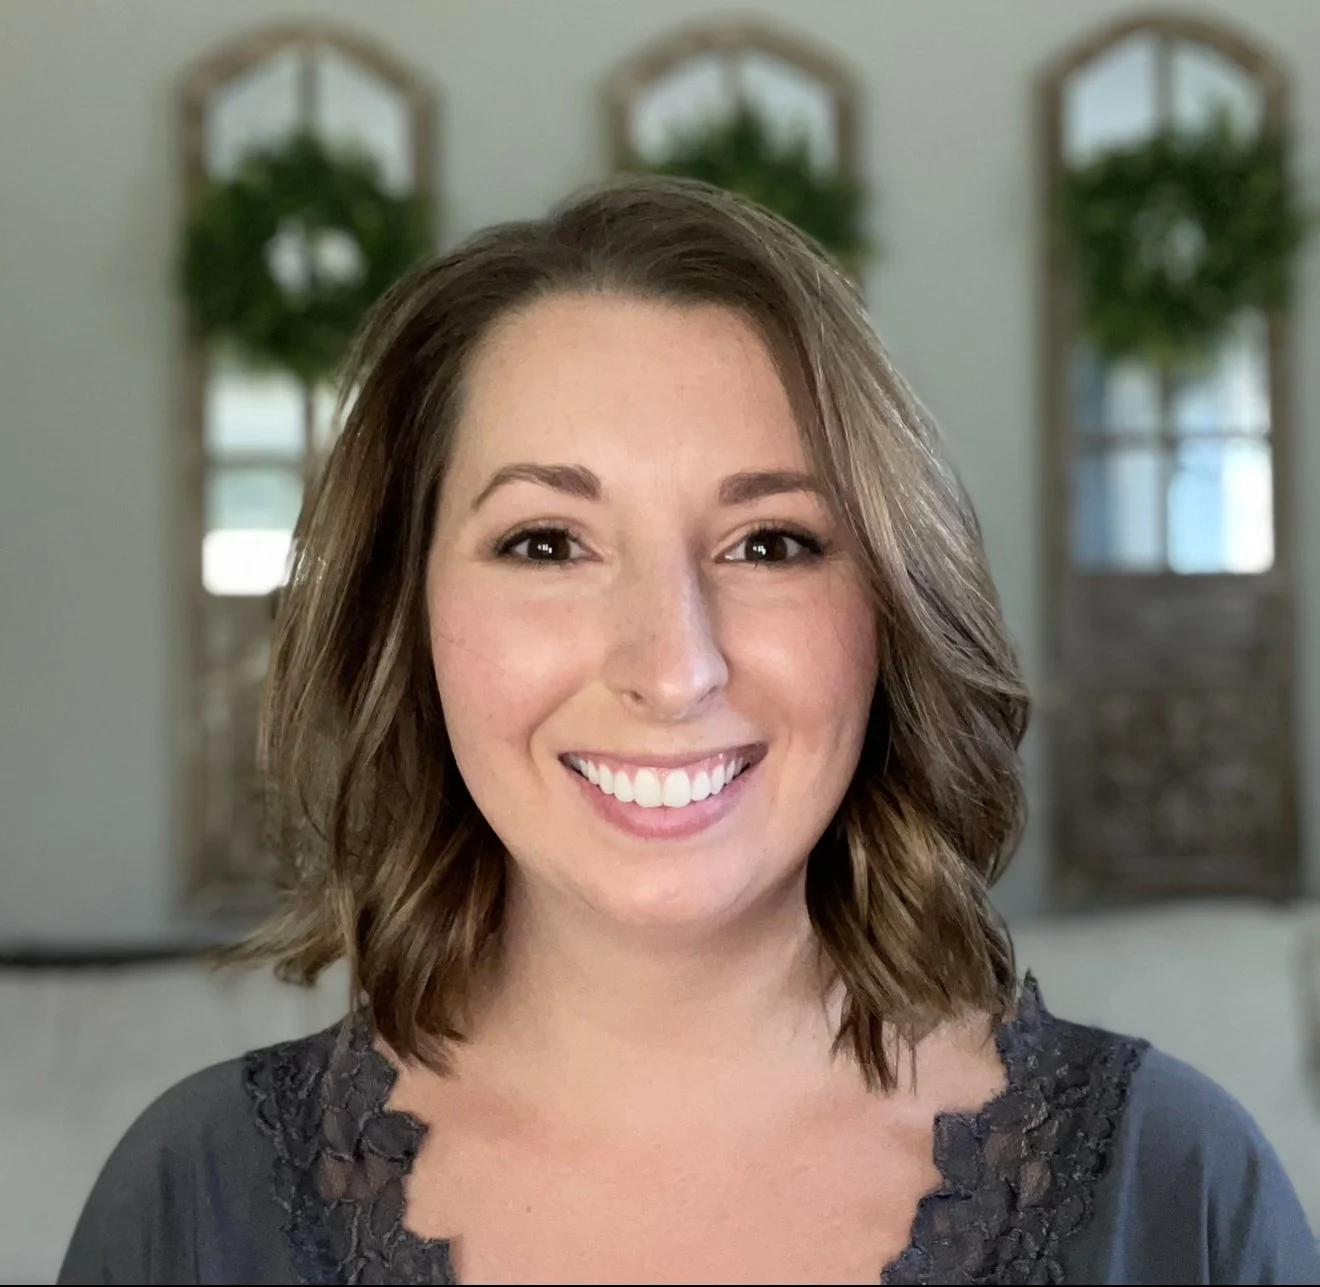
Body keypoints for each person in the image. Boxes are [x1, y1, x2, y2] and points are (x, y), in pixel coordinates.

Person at [60, 175, 1318, 1285]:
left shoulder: (1175, 1195)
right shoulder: (193, 1205)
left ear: (888, 606)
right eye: (546, 544)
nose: (672, 667)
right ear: (410, 609)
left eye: (770, 542)